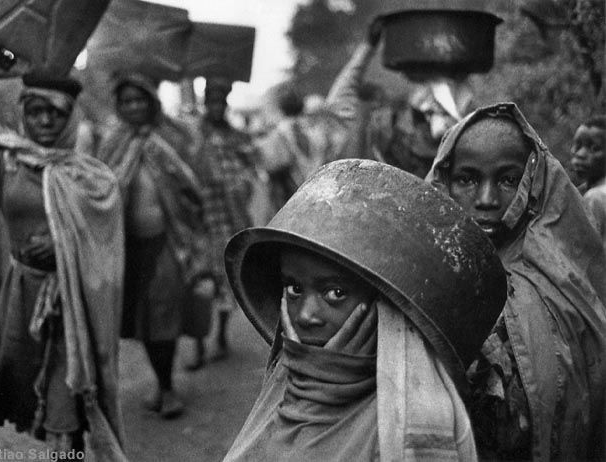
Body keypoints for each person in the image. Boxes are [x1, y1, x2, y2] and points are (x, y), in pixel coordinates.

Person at [222, 159, 508, 461]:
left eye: (336, 293)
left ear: (387, 309)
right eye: (293, 288)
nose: (305, 315)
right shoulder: (285, 386)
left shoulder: (416, 423)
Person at [0, 52, 127, 459]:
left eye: (55, 113)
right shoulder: (2, 160)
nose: (45, 122)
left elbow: (107, 246)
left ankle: (66, 448)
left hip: (74, 304)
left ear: (71, 117)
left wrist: (65, 244)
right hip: (21, 296)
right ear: (23, 116)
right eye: (35, 112)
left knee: (66, 399)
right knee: (35, 396)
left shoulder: (90, 176)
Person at [427, 102, 606, 460]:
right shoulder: (421, 277)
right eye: (467, 179)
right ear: (444, 180)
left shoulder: (564, 284)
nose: (487, 199)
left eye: (509, 180)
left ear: (534, 184)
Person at [95, 72, 214, 418]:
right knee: (143, 320)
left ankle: (166, 388)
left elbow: (192, 183)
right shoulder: (112, 143)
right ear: (119, 106)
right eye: (127, 101)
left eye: (140, 100)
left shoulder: (170, 137)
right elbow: (99, 188)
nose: (134, 106)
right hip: (128, 248)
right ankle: (162, 382)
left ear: (152, 102)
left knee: (164, 313)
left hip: (168, 243)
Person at [326, 21, 473, 179]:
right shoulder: (368, 117)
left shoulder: (455, 111)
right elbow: (343, 90)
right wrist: (367, 46)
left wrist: (368, 45)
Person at [180, 77, 258, 367]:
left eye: (220, 102)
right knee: (199, 282)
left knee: (227, 279)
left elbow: (252, 167)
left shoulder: (236, 136)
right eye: (210, 102)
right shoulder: (193, 134)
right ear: (204, 104)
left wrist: (241, 182)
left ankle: (222, 336)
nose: (215, 107)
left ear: (225, 105)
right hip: (200, 218)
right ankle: (199, 345)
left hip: (230, 218)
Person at [570, 116, 606, 250]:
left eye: (594, 148)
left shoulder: (595, 197)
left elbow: (581, 252)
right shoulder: (584, 192)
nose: (580, 154)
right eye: (577, 146)